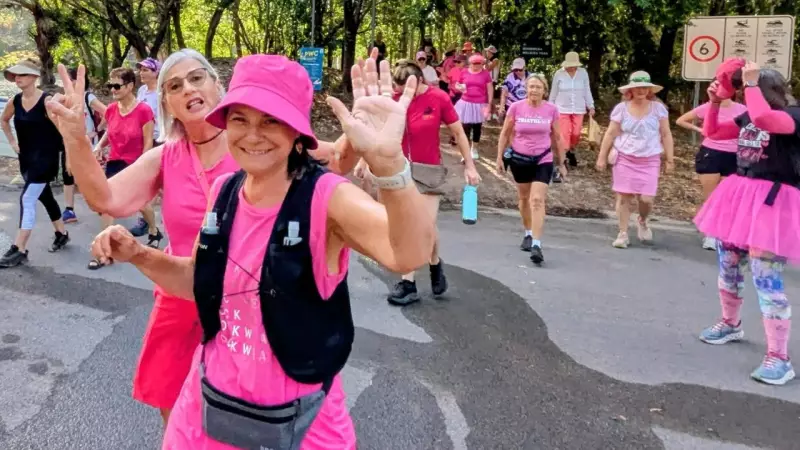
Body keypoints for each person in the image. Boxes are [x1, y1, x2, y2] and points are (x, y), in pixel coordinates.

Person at [57, 53, 434, 449]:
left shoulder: (324, 197)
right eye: (241, 119)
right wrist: (137, 253)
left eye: (271, 119)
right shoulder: (225, 191)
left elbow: (406, 253)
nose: (253, 135)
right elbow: (198, 280)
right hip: (207, 410)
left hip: (298, 423)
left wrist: (391, 167)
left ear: (295, 130)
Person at [695, 62, 800, 386]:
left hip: (773, 202)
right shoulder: (749, 114)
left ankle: (779, 358)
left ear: (768, 88)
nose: (743, 93)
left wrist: (750, 86)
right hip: (740, 200)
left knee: (766, 278)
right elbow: (713, 133)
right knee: (728, 263)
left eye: (749, 88)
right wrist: (714, 102)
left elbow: (768, 120)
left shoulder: (794, 116)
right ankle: (730, 323)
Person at [357, 59, 480, 306]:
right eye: (399, 89)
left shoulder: (439, 99)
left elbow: (458, 133)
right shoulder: (393, 100)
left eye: (407, 88)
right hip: (399, 170)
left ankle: (429, 268)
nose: (403, 94)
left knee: (425, 225)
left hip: (429, 170)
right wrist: (363, 161)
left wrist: (470, 165)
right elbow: (377, 133)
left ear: (420, 81)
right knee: (407, 225)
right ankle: (411, 282)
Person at [87, 67, 162, 269]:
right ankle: (105, 252)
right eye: (110, 85)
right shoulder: (111, 109)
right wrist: (98, 146)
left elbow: (148, 142)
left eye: (117, 85)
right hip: (115, 161)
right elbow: (109, 132)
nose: (112, 89)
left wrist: (142, 166)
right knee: (106, 206)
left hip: (136, 162)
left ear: (129, 86)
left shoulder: (144, 111)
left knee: (141, 205)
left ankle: (154, 230)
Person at [0, 59, 70, 267]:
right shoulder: (16, 100)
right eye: (15, 75)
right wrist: (12, 142)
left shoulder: (47, 102)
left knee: (27, 198)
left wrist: (70, 161)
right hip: (27, 159)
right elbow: (3, 120)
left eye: (22, 74)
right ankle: (61, 233)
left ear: (33, 78)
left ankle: (19, 248)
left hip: (46, 159)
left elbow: (64, 131)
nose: (17, 78)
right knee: (45, 195)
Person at [596, 71, 674, 248]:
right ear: (630, 90)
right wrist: (602, 156)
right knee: (624, 197)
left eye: (645, 87)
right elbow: (610, 133)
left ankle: (642, 219)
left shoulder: (658, 109)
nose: (641, 90)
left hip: (650, 159)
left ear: (649, 90)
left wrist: (670, 159)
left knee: (646, 199)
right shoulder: (621, 109)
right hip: (625, 157)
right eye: (637, 87)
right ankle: (623, 233)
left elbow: (666, 134)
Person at [496, 74, 565, 265]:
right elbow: (505, 133)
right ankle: (527, 233)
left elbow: (558, 137)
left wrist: (562, 162)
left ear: (545, 90)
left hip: (543, 158)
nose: (534, 90)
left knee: (537, 200)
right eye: (531, 86)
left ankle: (536, 244)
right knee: (524, 199)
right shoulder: (517, 108)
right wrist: (499, 158)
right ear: (526, 88)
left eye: (538, 87)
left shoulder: (551, 110)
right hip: (520, 159)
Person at [676, 94, 746, 250]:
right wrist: (700, 129)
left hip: (734, 155)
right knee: (711, 197)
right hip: (711, 153)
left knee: (726, 198)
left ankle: (721, 233)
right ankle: (710, 234)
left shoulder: (742, 109)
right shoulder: (708, 106)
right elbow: (680, 120)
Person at [61, 67, 107, 224]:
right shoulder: (65, 98)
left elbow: (108, 112)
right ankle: (69, 210)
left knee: (92, 176)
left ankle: (103, 204)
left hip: (87, 145)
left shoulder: (88, 97)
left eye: (70, 79)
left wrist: (96, 131)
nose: (67, 82)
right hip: (69, 142)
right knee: (68, 175)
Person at [127, 57, 162, 237]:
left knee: (153, 180)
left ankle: (146, 220)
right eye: (141, 70)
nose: (142, 73)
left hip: (159, 139)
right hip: (142, 138)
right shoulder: (141, 90)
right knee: (151, 181)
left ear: (156, 72)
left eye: (146, 70)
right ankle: (147, 218)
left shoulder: (161, 93)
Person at [549, 51, 595, 172]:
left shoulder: (583, 73)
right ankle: (563, 160)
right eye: (570, 64)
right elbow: (553, 93)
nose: (572, 67)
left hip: (579, 108)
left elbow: (587, 90)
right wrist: (549, 108)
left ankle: (571, 151)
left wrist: (591, 106)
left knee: (575, 134)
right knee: (564, 134)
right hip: (562, 108)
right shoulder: (559, 74)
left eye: (575, 65)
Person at [454, 54, 493, 161]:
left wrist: (489, 103)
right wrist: (460, 87)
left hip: (480, 103)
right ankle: (465, 153)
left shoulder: (485, 74)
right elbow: (457, 84)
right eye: (474, 63)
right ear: (470, 63)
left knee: (477, 127)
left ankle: (474, 149)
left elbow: (490, 88)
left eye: (479, 63)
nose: (476, 65)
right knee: (465, 127)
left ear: (482, 64)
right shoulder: (464, 72)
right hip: (466, 102)